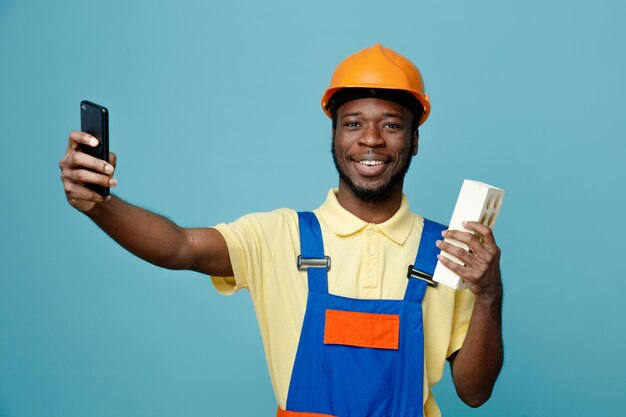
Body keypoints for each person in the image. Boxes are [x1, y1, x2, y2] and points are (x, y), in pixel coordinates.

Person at [59, 44, 503, 417]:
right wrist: (101, 206)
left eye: (391, 124)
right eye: (352, 124)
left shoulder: (452, 251)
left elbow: (474, 393)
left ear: (415, 140)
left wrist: (488, 294)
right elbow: (179, 247)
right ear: (334, 136)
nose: (371, 139)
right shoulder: (278, 237)